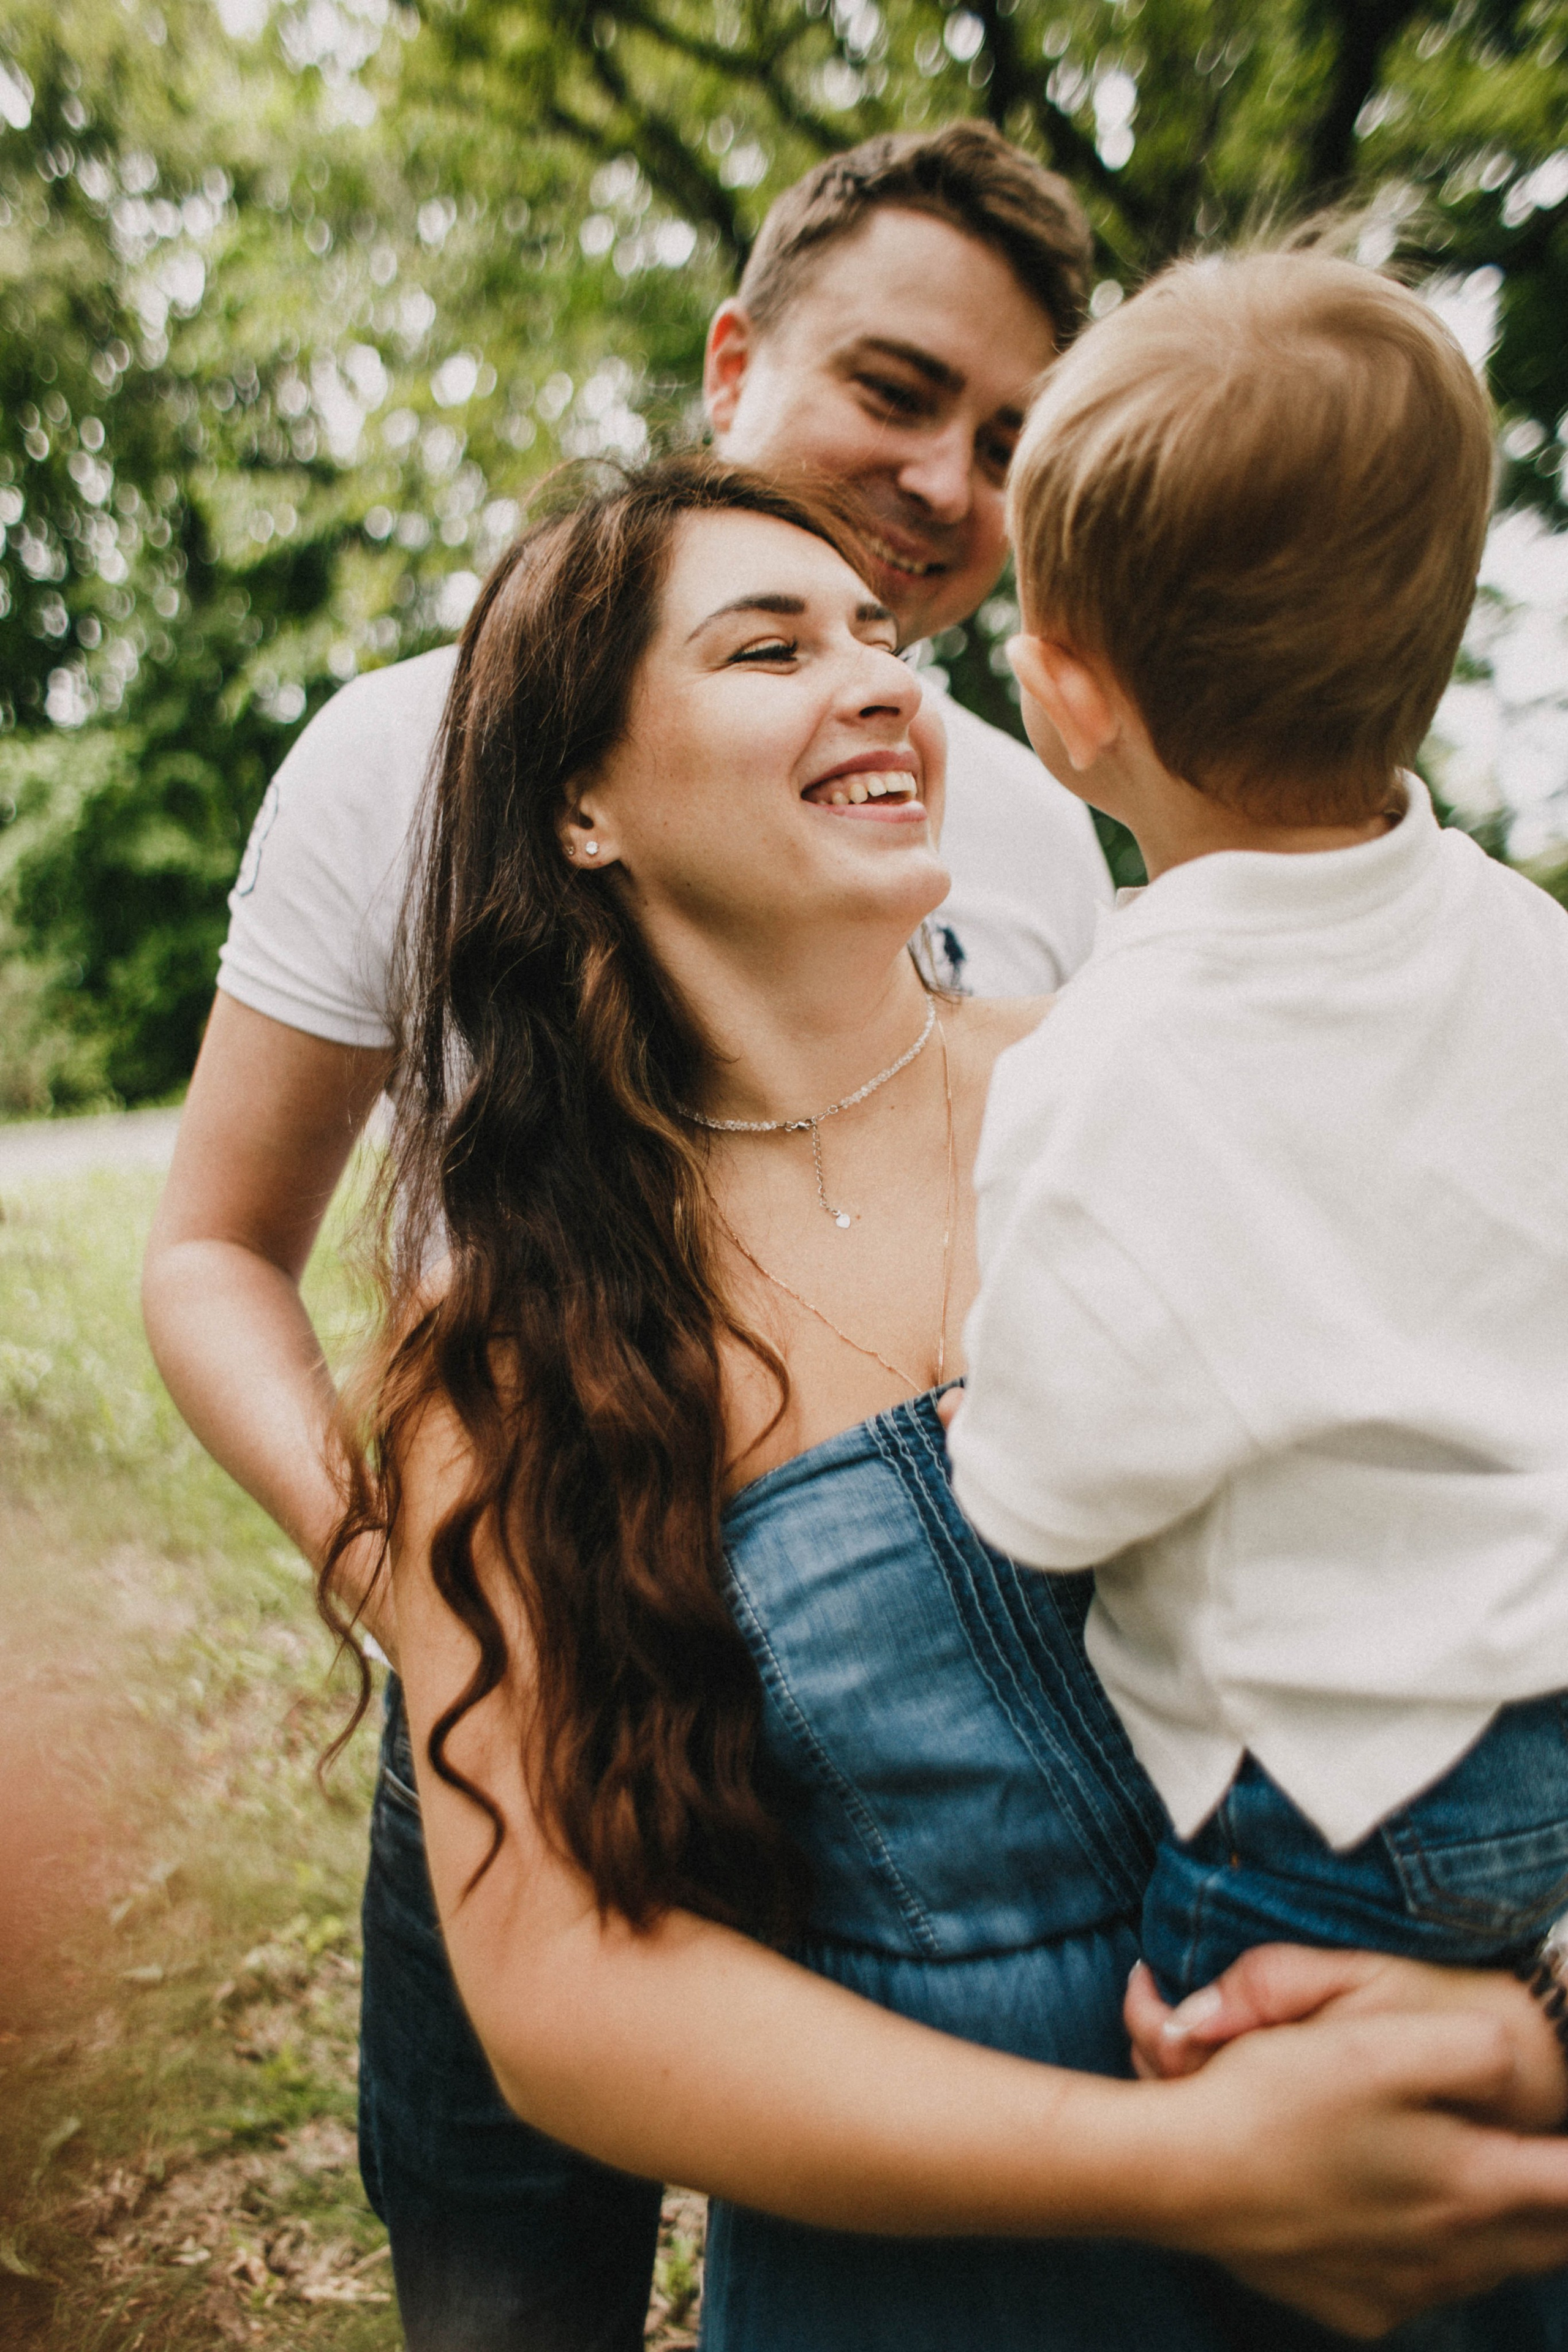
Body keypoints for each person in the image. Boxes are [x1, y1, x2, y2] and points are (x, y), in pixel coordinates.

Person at [338, 450, 1568, 2352]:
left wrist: (1532, 1987)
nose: (885, 681)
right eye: (770, 648)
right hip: (936, 2274)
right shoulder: (510, 1351)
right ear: (581, 804)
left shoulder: (1188, 1085)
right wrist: (1190, 2169)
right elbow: (568, 1992)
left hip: (1431, 2184)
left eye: (885, 638)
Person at [141, 121, 1116, 2345]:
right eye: (897, 390)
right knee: (509, 2273)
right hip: (537, 1612)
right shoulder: (401, 758)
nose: (953, 486)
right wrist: (421, 1588)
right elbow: (216, 1247)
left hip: (969, 1700)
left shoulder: (1031, 824)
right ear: (734, 356)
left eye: (1008, 444)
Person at [946, 251, 1568, 2016]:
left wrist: (991, 1421)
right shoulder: (1534, 948)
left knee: (1258, 2168)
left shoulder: (1110, 1054)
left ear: (1069, 703)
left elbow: (1051, 1498)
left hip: (1325, 1797)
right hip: (1549, 1732)